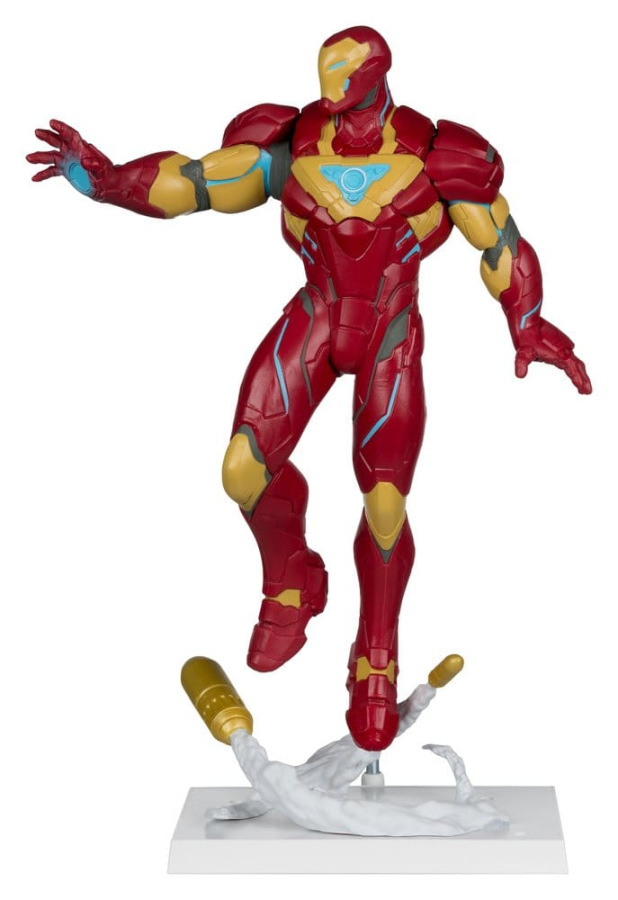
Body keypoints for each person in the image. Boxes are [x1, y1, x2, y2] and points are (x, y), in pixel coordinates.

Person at [28, 25, 591, 750]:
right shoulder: (292, 143)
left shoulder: (434, 152)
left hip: (390, 333)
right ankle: (293, 574)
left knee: (384, 505)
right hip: (317, 318)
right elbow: (194, 183)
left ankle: (376, 652)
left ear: (373, 76)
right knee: (241, 471)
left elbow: (500, 240)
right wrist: (106, 183)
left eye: (345, 79)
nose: (334, 91)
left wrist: (527, 319)